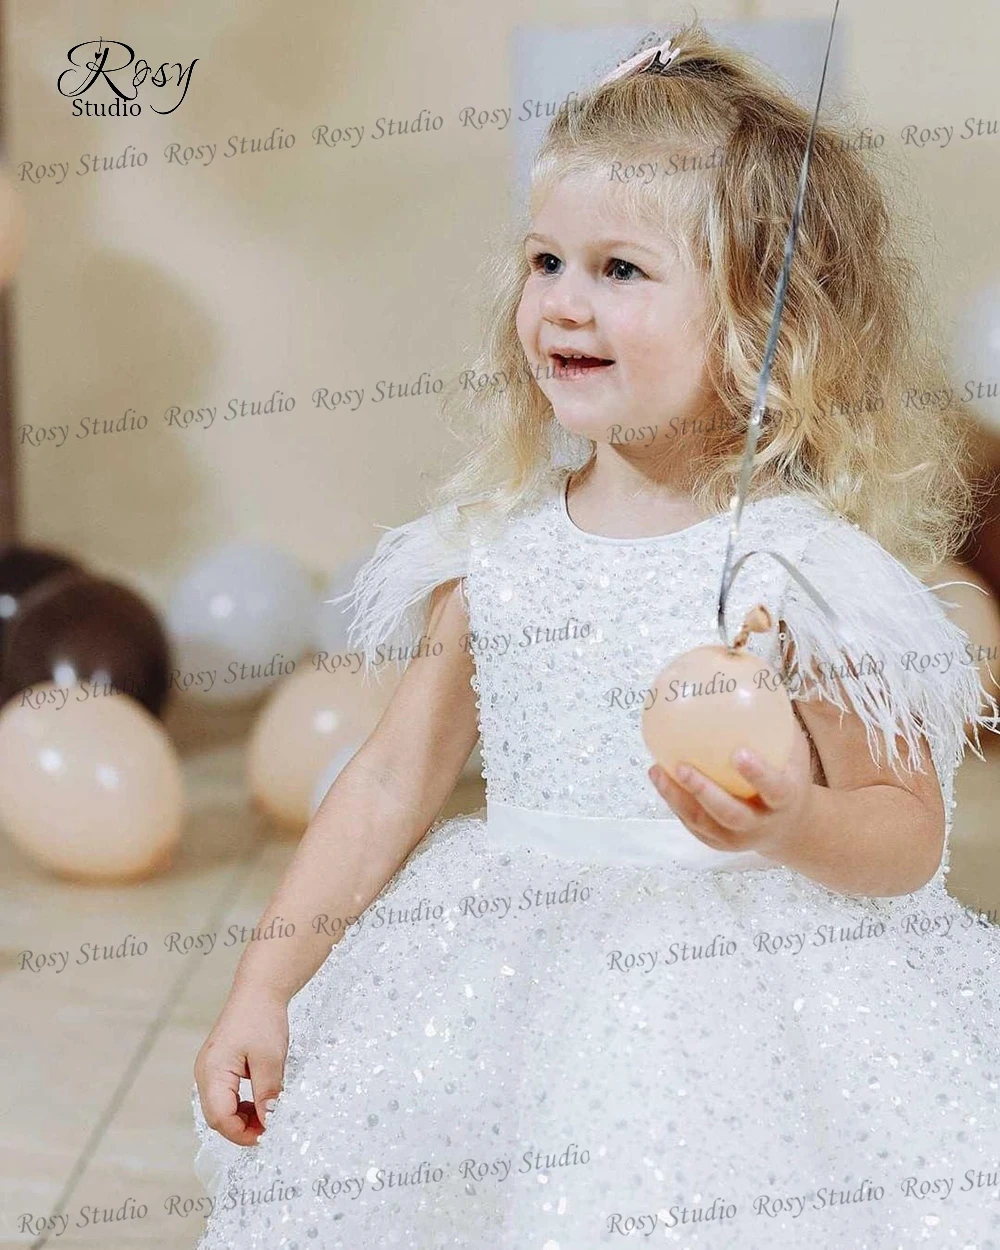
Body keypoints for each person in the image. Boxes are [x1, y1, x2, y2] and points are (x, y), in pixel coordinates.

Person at [192, 24, 1000, 1249]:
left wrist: (794, 822)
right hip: (506, 972)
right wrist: (265, 982)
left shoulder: (796, 576)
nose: (564, 302)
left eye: (621, 269)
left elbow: (905, 832)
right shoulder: (498, 553)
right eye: (545, 260)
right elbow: (391, 780)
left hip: (747, 997)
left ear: (762, 320)